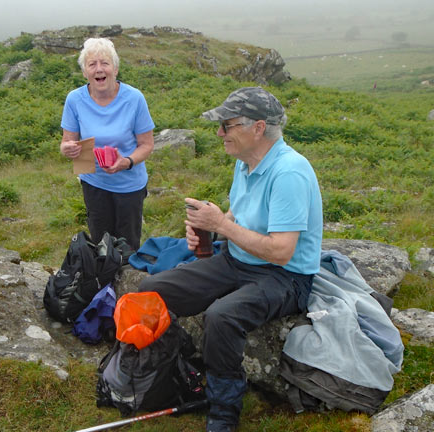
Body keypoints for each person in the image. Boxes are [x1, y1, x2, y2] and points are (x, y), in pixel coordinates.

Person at [138, 87, 323, 432]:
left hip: (285, 277)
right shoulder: (246, 163)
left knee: (222, 317)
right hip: (237, 260)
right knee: (153, 289)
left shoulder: (289, 173)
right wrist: (209, 229)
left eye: (227, 125)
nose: (220, 134)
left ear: (258, 128)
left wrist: (220, 224)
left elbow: (282, 251)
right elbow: (239, 215)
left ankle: (223, 411)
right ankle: (171, 369)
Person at [60, 37, 155, 251]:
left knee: (127, 246)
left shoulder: (134, 98)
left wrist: (127, 162)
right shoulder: (75, 99)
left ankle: (126, 284)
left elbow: (147, 145)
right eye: (91, 64)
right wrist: (67, 148)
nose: (98, 69)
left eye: (105, 63)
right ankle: (104, 284)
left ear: (116, 68)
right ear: (85, 72)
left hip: (129, 185)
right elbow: (68, 141)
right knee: (101, 246)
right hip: (93, 183)